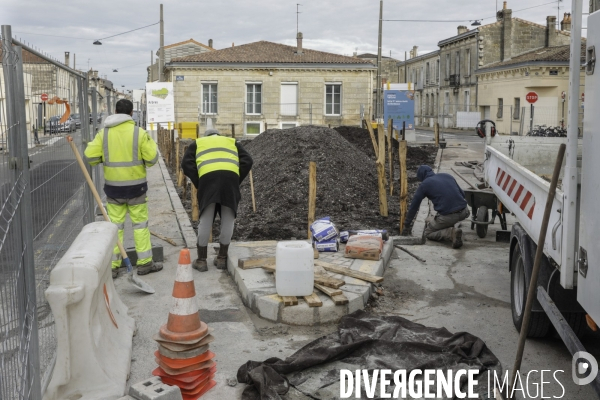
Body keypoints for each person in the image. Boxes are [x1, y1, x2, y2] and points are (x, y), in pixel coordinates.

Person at [84, 99, 162, 278]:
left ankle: (113, 266)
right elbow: (152, 159)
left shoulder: (104, 134)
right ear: (131, 113)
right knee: (140, 225)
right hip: (137, 189)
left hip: (114, 190)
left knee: (115, 227)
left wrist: (104, 159)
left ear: (114, 111)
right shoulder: (139, 133)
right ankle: (144, 264)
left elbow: (90, 156)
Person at [181, 128, 253, 271]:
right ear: (218, 135)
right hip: (230, 179)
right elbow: (248, 160)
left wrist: (199, 182)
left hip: (208, 179)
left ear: (206, 136)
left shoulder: (198, 142)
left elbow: (186, 164)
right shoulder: (231, 141)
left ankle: (201, 261)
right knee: (228, 217)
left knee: (206, 218)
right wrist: (235, 179)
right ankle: (221, 259)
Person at [401, 165, 469, 248]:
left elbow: (414, 206)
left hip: (449, 216)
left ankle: (451, 233)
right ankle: (450, 223)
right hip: (465, 211)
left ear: (421, 176)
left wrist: (407, 225)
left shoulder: (424, 185)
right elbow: (463, 194)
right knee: (442, 216)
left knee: (428, 232)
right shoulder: (447, 175)